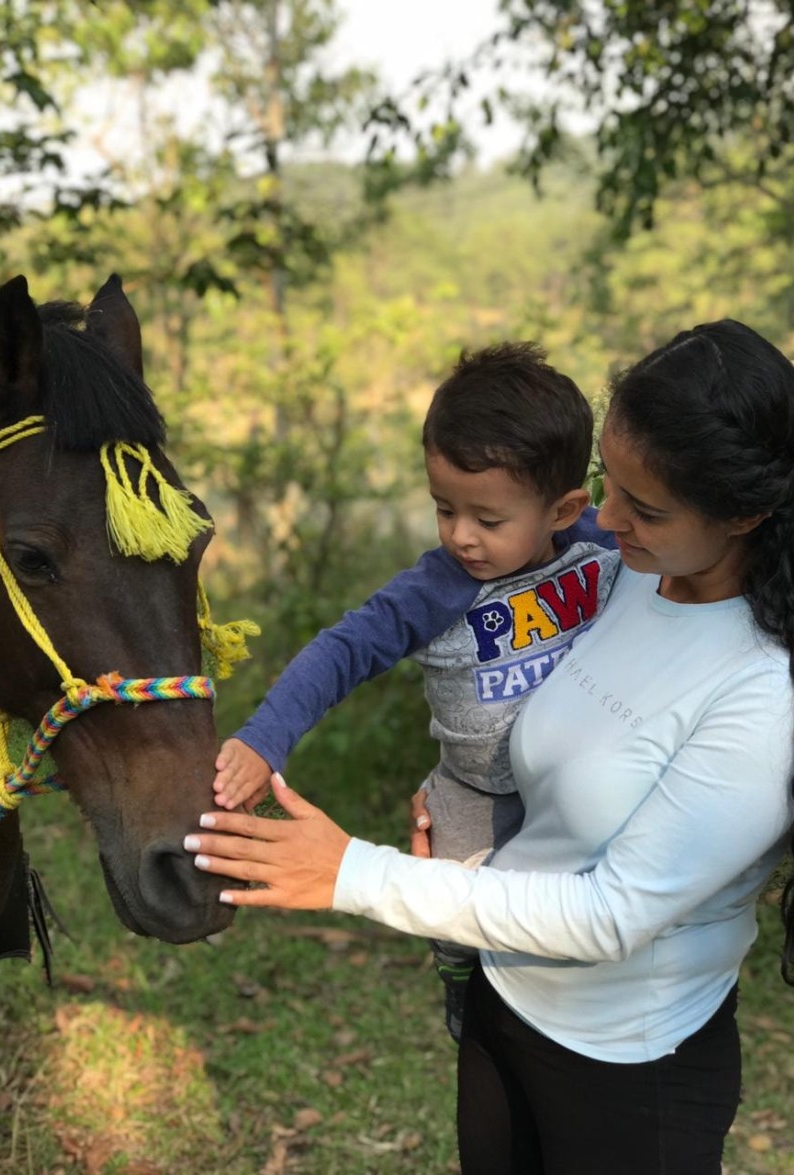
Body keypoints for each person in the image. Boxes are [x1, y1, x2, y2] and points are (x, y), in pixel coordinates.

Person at [190, 320, 794, 1172]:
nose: (608, 521)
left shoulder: (765, 692)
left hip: (624, 1062)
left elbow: (613, 914)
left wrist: (352, 872)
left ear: (745, 512)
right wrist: (462, 797)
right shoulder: (627, 573)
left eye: (644, 507)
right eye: (607, 487)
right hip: (503, 999)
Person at [211, 342, 620, 1040]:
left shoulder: (607, 547)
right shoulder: (437, 589)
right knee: (462, 912)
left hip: (582, 782)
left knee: (571, 924)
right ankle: (464, 987)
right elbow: (340, 652)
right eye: (443, 509)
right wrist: (263, 737)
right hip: (477, 791)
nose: (461, 536)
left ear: (564, 508)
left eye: (488, 520)